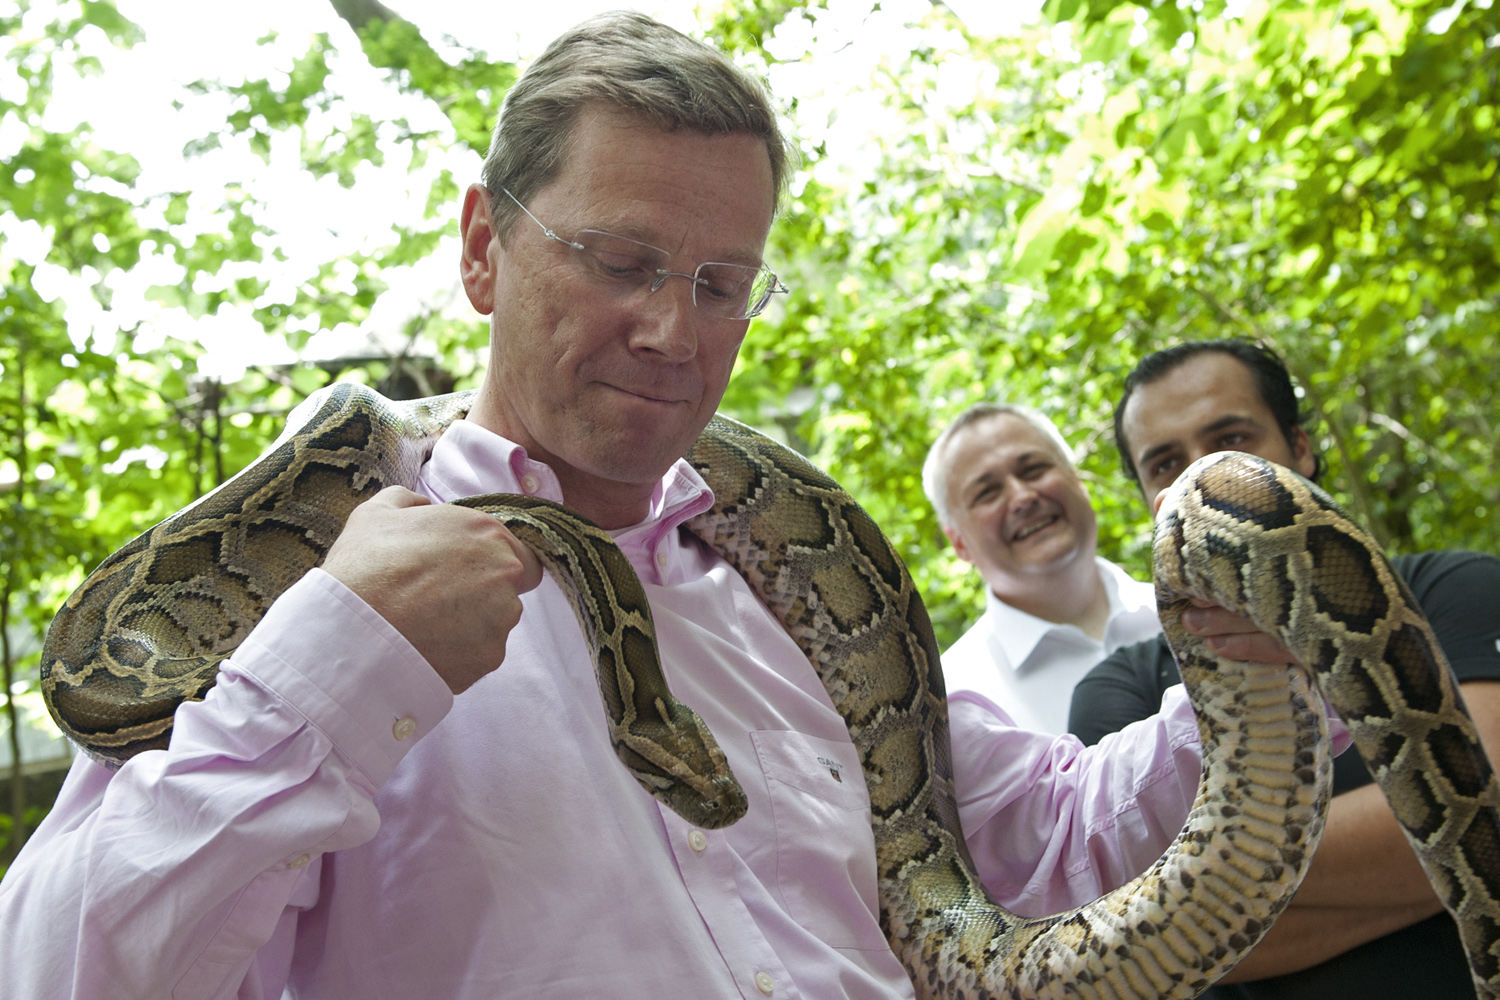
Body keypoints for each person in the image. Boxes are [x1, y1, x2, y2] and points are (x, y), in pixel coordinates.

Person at [0, 20, 1303, 999]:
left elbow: (1046, 835)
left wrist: (1255, 673)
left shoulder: (784, 601)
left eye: (725, 282)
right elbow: (60, 970)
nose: (676, 332)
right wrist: (331, 672)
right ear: (479, 248)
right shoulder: (304, 604)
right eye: (621, 264)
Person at [1069, 337, 1500, 1000]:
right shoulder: (1119, 687)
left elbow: (1180, 925)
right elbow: (1144, 935)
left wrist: (1223, 892)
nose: (1200, 475)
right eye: (1164, 465)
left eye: (1230, 438)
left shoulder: (1453, 589)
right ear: (1150, 502)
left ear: (1300, 448)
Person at [921, 403, 1160, 733]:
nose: (1022, 497)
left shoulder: (1200, 616)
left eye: (1033, 470)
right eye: (987, 492)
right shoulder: (954, 703)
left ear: (1077, 478)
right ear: (958, 542)